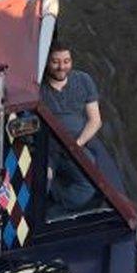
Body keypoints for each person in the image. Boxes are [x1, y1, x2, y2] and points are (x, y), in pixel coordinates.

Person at [40, 42, 101, 212]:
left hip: (76, 146)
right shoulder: (36, 86)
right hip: (47, 149)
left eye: (66, 61)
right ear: (47, 62)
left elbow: (95, 120)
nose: (61, 67)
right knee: (40, 184)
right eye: (56, 62)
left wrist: (77, 144)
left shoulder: (84, 80)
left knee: (88, 186)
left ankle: (57, 204)